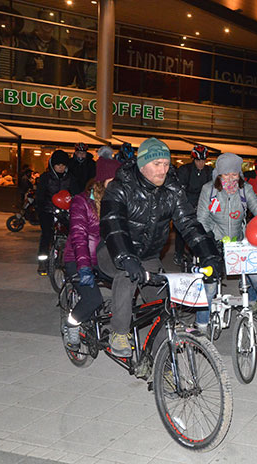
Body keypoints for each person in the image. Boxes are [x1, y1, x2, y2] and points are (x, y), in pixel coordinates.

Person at [98, 137, 221, 357]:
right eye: (157, 164)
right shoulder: (120, 187)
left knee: (163, 304)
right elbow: (113, 224)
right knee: (128, 276)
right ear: (142, 164)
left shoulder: (172, 190)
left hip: (148, 256)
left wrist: (209, 254)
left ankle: (161, 362)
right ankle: (119, 331)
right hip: (114, 252)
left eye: (166, 164)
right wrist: (126, 257)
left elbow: (189, 224)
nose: (163, 169)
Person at [196, 153, 257, 325]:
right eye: (225, 174)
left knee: (256, 277)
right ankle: (201, 326)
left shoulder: (245, 189)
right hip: (215, 240)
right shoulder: (209, 190)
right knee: (209, 287)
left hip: (238, 241)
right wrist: (209, 236)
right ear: (218, 174)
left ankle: (252, 303)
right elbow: (201, 219)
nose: (230, 178)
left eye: (234, 174)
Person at [61, 156, 121, 349]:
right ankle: (71, 324)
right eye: (114, 180)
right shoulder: (82, 202)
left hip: (103, 259)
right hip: (77, 259)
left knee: (126, 286)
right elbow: (79, 239)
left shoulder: (116, 200)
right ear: (102, 180)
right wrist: (84, 268)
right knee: (93, 298)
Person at [35, 150, 78, 275]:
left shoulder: (70, 178)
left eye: (63, 165)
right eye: (58, 165)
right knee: (47, 235)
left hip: (65, 210)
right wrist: (42, 208)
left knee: (71, 233)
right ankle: (42, 262)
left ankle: (68, 259)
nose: (61, 168)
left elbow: (76, 193)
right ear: (53, 165)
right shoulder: (45, 178)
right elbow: (40, 195)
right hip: (48, 210)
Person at [173, 145, 213, 265]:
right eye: (198, 161)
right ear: (193, 160)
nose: (201, 163)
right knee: (182, 229)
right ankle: (178, 254)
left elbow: (212, 189)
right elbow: (179, 190)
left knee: (202, 229)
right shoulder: (185, 170)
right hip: (186, 202)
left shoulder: (209, 171)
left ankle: (200, 252)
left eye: (203, 161)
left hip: (202, 202)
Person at [23, 10, 70, 85]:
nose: (48, 23)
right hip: (26, 87)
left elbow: (63, 75)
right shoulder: (25, 41)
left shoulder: (60, 49)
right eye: (44, 20)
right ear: (38, 22)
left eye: (51, 21)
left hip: (50, 89)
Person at [0, 5, 27, 80]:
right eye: (4, 19)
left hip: (16, 88)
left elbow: (30, 69)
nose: (7, 23)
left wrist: (22, 79)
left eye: (11, 21)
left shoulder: (23, 47)